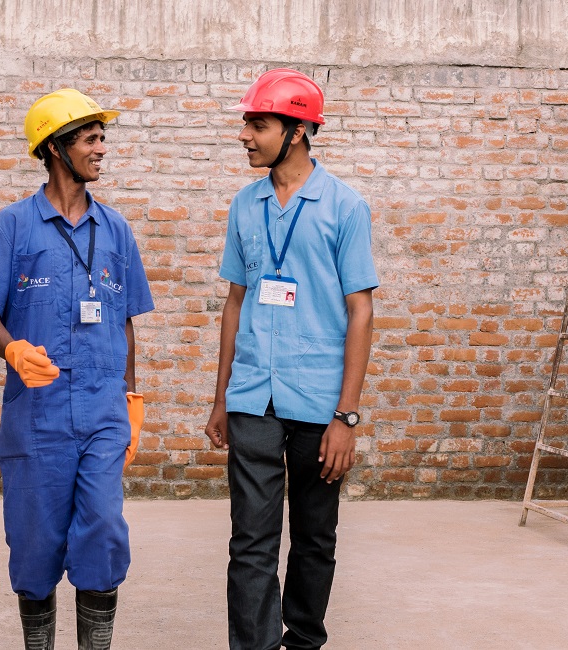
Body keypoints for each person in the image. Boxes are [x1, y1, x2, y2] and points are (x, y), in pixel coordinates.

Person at [0, 88, 154, 650]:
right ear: (55, 148)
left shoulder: (115, 230)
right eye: (90, 139)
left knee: (104, 534)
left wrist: (131, 397)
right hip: (36, 417)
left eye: (102, 138)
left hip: (102, 411)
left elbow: (124, 321)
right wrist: (12, 350)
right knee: (35, 541)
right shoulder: (11, 226)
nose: (101, 150)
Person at [203, 69, 379, 650]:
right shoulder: (244, 206)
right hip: (253, 394)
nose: (245, 136)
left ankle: (303, 640)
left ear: (298, 131)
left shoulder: (344, 208)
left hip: (319, 399)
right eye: (247, 123)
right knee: (249, 541)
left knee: (313, 536)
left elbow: (361, 311)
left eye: (258, 124)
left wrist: (346, 416)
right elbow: (235, 302)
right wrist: (220, 397)